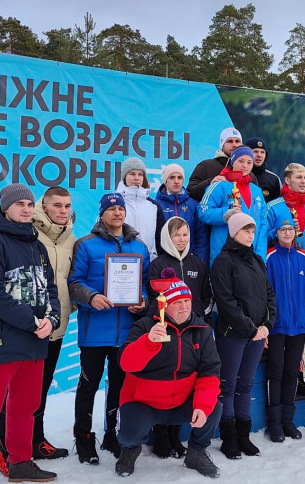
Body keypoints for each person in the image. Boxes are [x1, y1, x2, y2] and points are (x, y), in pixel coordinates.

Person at [0, 186, 76, 472]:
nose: (27, 209)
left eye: (30, 204)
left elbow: (51, 289)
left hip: (35, 341)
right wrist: (32, 321)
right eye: (20, 205)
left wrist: (51, 320)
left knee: (24, 408)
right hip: (2, 342)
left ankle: (20, 461)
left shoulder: (37, 245)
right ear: (6, 207)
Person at [115, 273, 223, 478]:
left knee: (214, 407)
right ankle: (129, 450)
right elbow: (125, 363)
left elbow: (210, 371)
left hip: (181, 401)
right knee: (128, 435)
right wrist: (148, 342)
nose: (184, 307)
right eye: (177, 302)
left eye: (186, 301)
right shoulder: (145, 326)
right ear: (164, 306)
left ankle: (197, 453)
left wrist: (202, 405)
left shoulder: (202, 330)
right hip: (144, 402)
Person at [68, 192, 149, 465]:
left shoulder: (138, 247)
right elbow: (74, 282)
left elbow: (145, 284)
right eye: (111, 209)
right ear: (101, 214)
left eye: (120, 209)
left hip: (126, 332)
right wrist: (91, 297)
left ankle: (112, 435)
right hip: (94, 331)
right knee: (88, 386)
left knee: (119, 386)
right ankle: (83, 439)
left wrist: (143, 301)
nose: (117, 213)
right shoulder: (86, 245)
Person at [145, 216, 213, 459]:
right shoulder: (158, 264)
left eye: (185, 234)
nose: (182, 239)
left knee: (185, 381)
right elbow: (153, 300)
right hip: (167, 332)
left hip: (192, 332)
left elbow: (206, 296)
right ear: (167, 237)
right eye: (177, 235)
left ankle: (175, 435)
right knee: (166, 381)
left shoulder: (198, 263)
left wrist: (194, 315)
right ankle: (161, 437)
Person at [210, 212, 276, 460]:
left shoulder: (258, 260)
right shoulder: (223, 261)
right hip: (233, 334)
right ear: (234, 232)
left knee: (245, 385)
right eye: (246, 230)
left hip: (258, 335)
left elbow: (269, 295)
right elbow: (226, 302)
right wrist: (251, 328)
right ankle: (229, 438)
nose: (250, 235)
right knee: (227, 385)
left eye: (252, 230)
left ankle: (243, 435)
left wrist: (268, 324)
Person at [265, 215, 305, 443]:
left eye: (290, 229)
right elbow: (264, 295)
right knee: (275, 373)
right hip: (276, 326)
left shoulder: (304, 258)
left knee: (292, 373)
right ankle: (274, 422)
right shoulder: (268, 257)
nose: (287, 233)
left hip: (298, 326)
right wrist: (265, 326)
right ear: (276, 233)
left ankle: (288, 420)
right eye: (282, 230)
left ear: (296, 232)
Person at [198, 146, 268, 266]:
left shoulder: (256, 191)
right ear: (232, 161)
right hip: (223, 254)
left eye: (249, 162)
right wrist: (226, 213)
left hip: (251, 255)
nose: (245, 165)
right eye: (241, 161)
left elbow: (263, 223)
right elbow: (202, 211)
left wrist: (260, 255)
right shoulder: (220, 185)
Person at [266, 162, 305, 253]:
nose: (303, 181)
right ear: (287, 180)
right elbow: (262, 238)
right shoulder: (272, 208)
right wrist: (279, 228)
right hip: (282, 263)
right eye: (299, 177)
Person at [155, 163, 209, 262]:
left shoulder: (194, 205)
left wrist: (200, 261)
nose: (176, 181)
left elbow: (201, 237)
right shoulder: (156, 205)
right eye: (172, 177)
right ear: (165, 181)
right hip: (165, 260)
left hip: (190, 260)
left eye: (179, 178)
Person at [116, 156, 165, 261]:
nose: (137, 178)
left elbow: (160, 238)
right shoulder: (115, 204)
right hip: (122, 263)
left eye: (140, 174)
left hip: (149, 263)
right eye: (132, 174)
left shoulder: (154, 206)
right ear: (125, 176)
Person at [187, 127, 243, 201]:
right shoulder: (205, 166)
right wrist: (210, 182)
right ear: (222, 145)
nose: (234, 145)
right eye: (230, 141)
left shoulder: (247, 170)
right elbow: (190, 192)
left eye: (237, 141)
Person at [244, 137, 281, 203]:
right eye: (255, 151)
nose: (259, 155)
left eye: (262, 152)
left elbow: (279, 205)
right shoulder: (239, 175)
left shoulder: (273, 179)